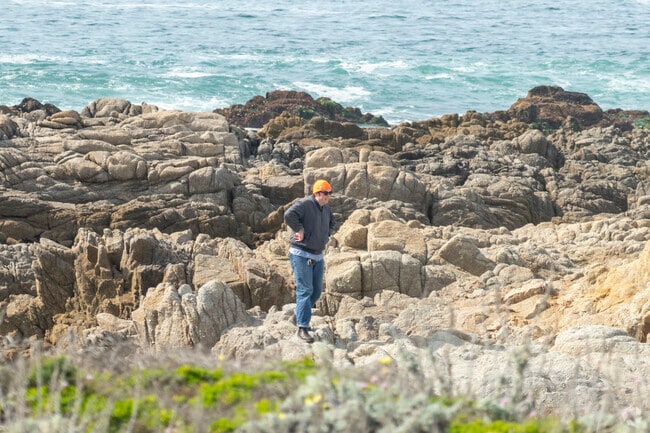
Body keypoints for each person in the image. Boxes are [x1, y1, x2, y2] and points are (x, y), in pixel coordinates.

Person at [284, 179, 336, 343]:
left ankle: (299, 314)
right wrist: (299, 229)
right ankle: (303, 327)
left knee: (317, 291)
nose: (328, 196)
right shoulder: (305, 204)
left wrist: (326, 235)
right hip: (301, 253)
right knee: (305, 289)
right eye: (325, 193)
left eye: (329, 193)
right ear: (317, 193)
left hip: (317, 255)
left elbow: (332, 223)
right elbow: (289, 215)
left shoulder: (326, 209)